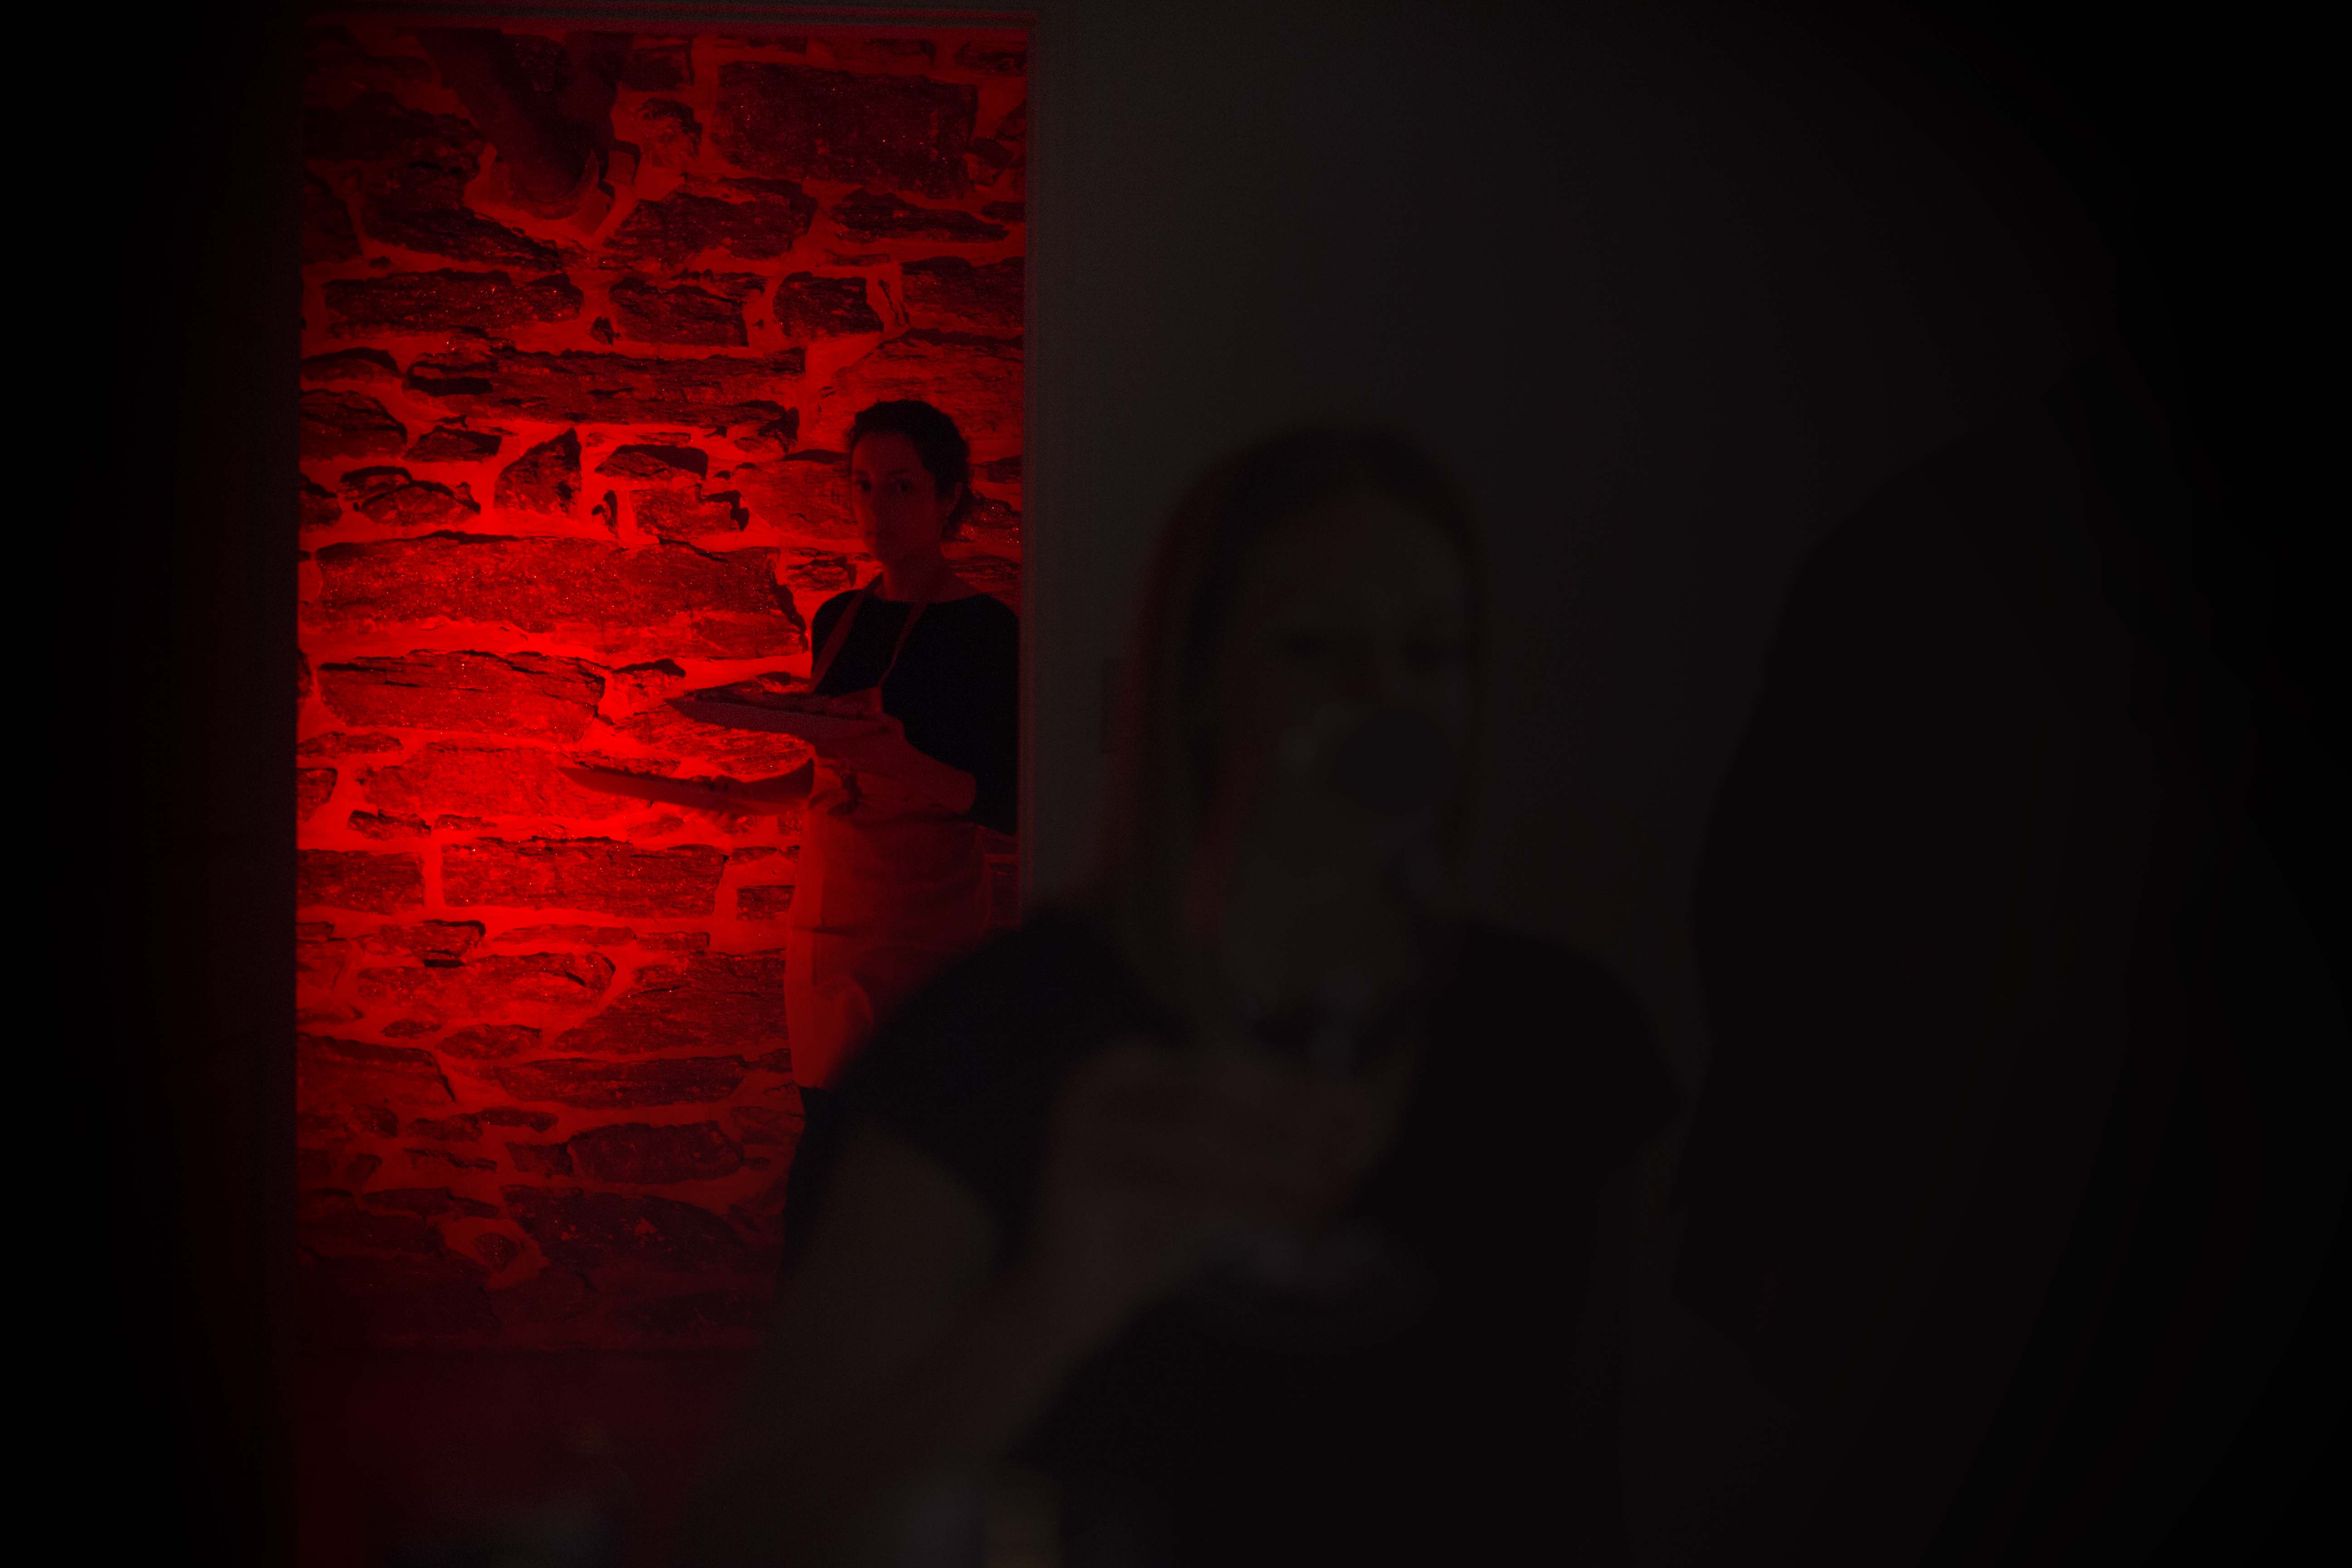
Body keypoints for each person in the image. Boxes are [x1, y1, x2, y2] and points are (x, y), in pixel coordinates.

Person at [691, 428, 1682, 1567]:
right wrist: (1050, 1304)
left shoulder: (1564, 1042)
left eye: (1430, 651)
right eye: (1316, 648)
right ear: (1201, 679)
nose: (1384, 698)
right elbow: (749, 1531)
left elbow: (1601, 1484)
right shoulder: (1001, 1035)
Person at [781, 398, 1020, 1100]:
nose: (875, 507)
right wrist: (737, 797)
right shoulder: (838, 618)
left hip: (924, 927)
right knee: (827, 1115)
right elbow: (833, 769)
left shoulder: (986, 630)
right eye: (862, 484)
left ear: (948, 498)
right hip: (826, 922)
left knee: (903, 1121)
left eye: (901, 486)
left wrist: (900, 762)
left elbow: (1005, 802)